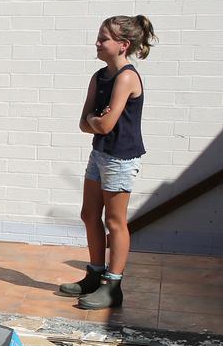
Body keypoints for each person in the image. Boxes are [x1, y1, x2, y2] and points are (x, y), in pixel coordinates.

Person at [58, 15, 156, 310]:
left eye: (104, 39)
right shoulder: (98, 77)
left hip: (120, 159)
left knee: (115, 222)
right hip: (100, 154)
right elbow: (86, 122)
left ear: (123, 45)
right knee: (89, 215)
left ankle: (113, 286)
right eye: (99, 37)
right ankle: (95, 274)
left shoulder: (127, 77)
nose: (97, 43)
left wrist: (95, 121)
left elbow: (104, 124)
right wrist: (95, 121)